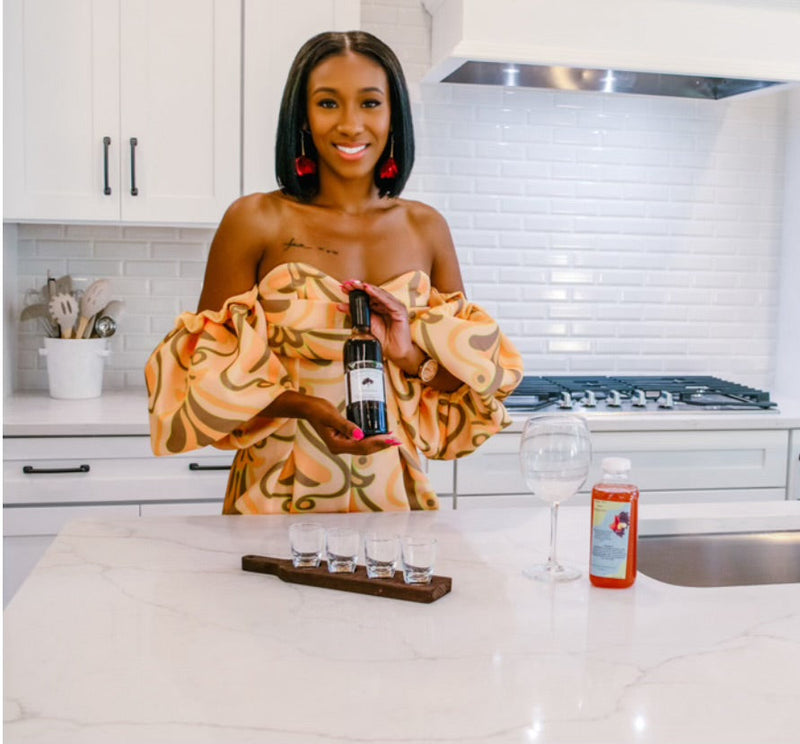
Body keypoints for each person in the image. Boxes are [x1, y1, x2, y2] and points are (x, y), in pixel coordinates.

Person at [145, 31, 523, 514]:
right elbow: (202, 379)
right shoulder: (255, 220)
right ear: (302, 115)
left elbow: (460, 385)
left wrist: (409, 356)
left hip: (394, 498)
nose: (350, 124)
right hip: (276, 494)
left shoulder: (427, 228)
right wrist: (303, 407)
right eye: (328, 103)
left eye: (369, 103)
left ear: (393, 116)